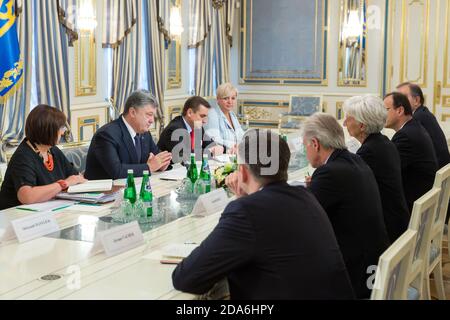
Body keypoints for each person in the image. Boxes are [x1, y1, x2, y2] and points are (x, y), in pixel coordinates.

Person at [172, 129, 355, 300]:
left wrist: (241, 202)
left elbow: (186, 278)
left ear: (242, 171)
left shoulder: (247, 212)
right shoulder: (306, 197)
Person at [302, 113, 390, 299]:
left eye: (305, 146)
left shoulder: (329, 173)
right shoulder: (354, 160)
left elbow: (302, 218)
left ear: (315, 144)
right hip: (375, 265)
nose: (306, 151)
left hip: (357, 276)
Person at [343, 95, 409, 243]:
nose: (344, 123)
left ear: (362, 125)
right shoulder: (384, 143)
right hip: (397, 221)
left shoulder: (369, 152)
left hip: (387, 232)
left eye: (348, 118)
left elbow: (351, 190)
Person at [0, 105, 86, 210]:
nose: (63, 132)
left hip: (48, 213)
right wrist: (64, 184)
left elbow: (76, 177)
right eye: (61, 128)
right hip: (18, 218)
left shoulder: (52, 150)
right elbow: (27, 196)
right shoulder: (23, 156)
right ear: (47, 130)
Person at [85, 90, 172, 180]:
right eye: (149, 115)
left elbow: (157, 157)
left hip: (132, 187)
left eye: (153, 116)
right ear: (132, 112)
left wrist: (162, 164)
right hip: (104, 191)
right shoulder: (106, 135)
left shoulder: (145, 134)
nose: (152, 120)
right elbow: (116, 171)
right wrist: (149, 167)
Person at [384, 92, 438, 212]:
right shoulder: (413, 127)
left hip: (413, 204)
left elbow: (389, 170)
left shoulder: (405, 136)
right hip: (423, 197)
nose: (382, 115)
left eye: (385, 110)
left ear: (400, 111)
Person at [397, 82, 450, 169]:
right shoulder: (423, 113)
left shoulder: (418, 118)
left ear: (417, 100)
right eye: (397, 98)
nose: (398, 103)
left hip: (434, 172)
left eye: (403, 98)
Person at [157, 96, 223, 163]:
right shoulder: (174, 128)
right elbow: (185, 156)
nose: (205, 121)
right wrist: (209, 151)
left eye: (206, 117)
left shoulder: (197, 126)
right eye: (202, 116)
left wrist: (219, 147)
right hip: (168, 171)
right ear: (189, 113)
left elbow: (210, 145)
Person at [204, 83, 245, 154]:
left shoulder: (232, 114)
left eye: (233, 98)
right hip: (219, 157)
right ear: (218, 99)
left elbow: (241, 135)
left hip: (234, 154)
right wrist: (235, 145)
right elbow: (214, 140)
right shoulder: (212, 114)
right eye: (226, 98)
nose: (230, 102)